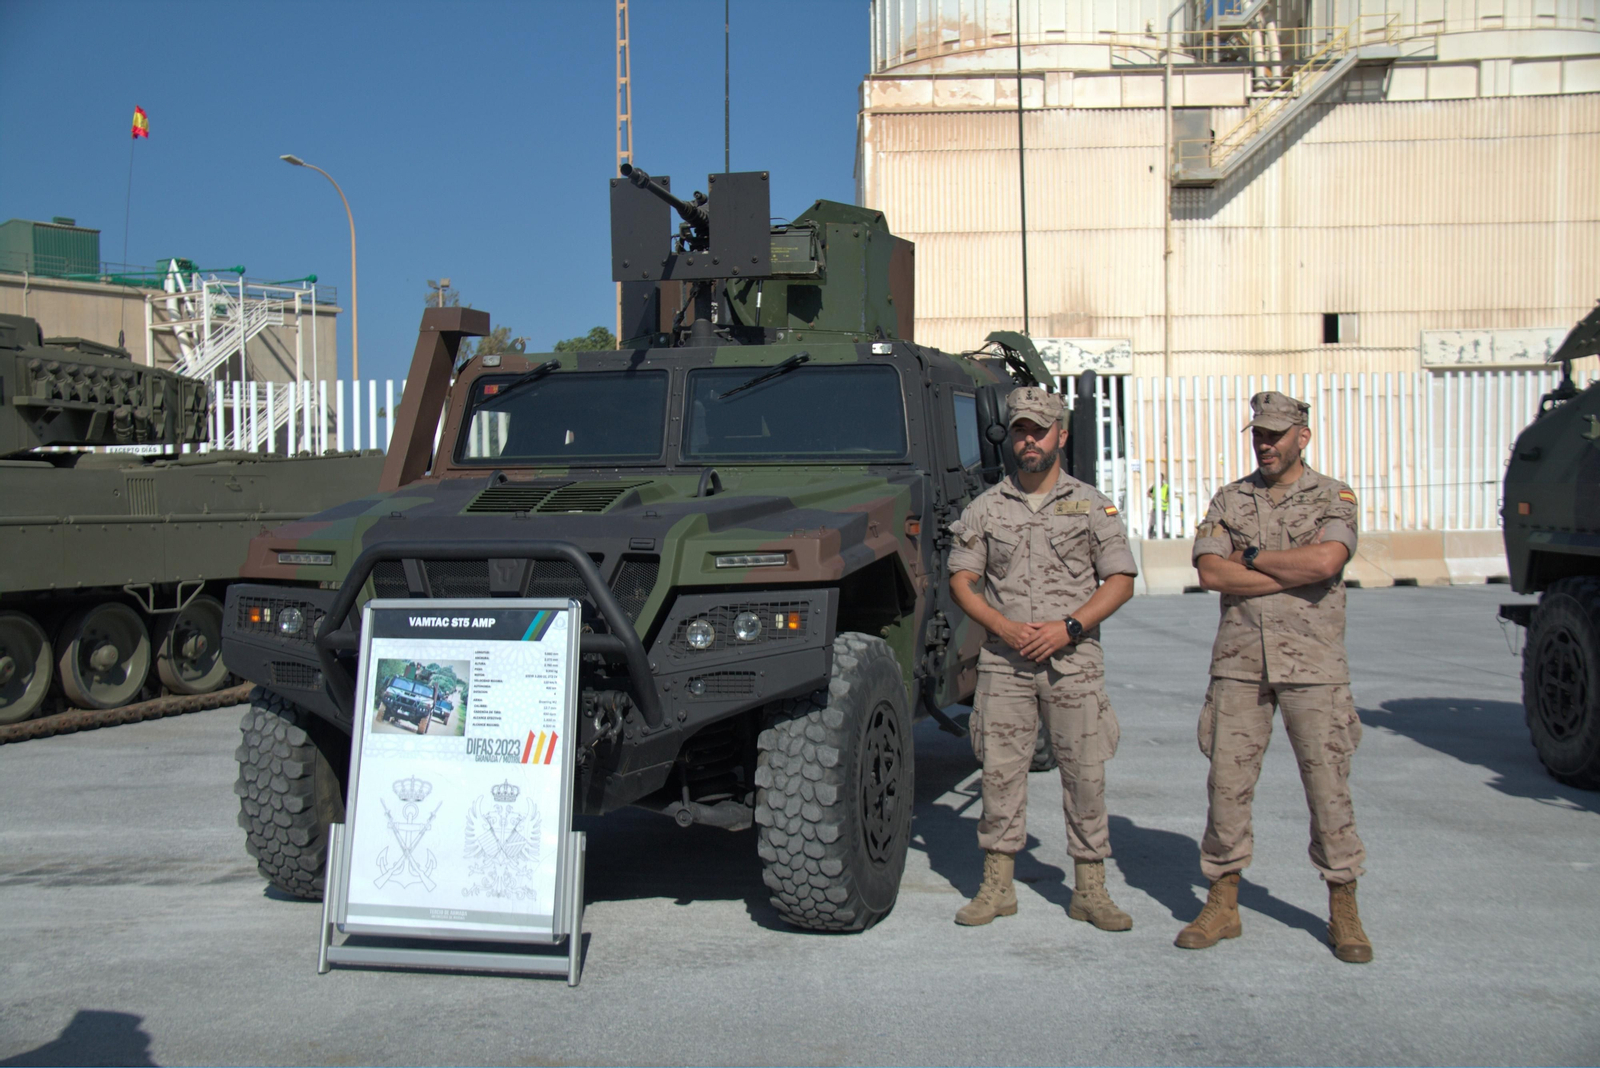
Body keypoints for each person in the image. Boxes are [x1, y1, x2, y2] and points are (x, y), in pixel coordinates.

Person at [1180, 391, 1373, 963]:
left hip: (1314, 668)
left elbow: (1325, 562)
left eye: (1275, 435)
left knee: (1329, 788)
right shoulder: (1230, 498)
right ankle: (1223, 900)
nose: (1265, 444)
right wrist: (1283, 570)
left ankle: (1344, 905)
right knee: (1226, 787)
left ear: (1302, 438)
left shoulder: (1332, 496)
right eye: (1258, 435)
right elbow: (1212, 572)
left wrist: (1253, 557)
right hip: (1239, 666)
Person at [947, 386, 1138, 930]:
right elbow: (963, 580)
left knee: (1084, 775)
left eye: (1038, 429)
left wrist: (1069, 627)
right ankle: (997, 886)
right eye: (1020, 431)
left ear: (1061, 434)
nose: (1028, 440)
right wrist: (1002, 626)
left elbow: (1120, 579)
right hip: (1005, 663)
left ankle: (1091, 889)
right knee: (1000, 774)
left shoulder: (1089, 503)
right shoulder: (985, 508)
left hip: (1072, 661)